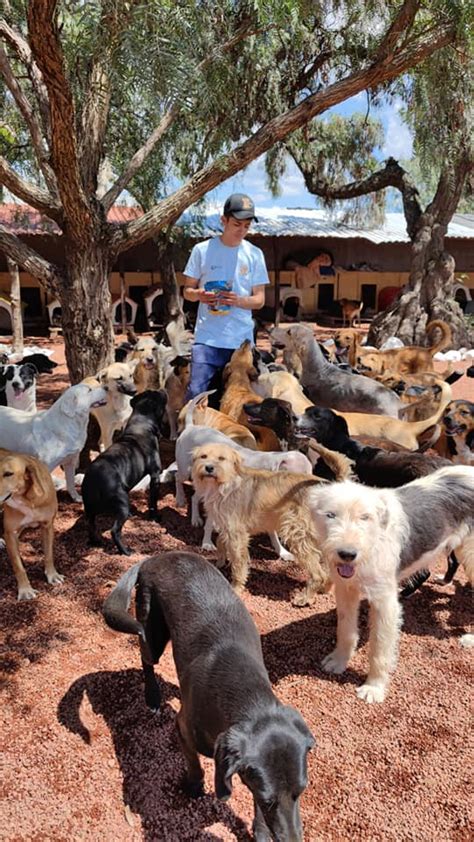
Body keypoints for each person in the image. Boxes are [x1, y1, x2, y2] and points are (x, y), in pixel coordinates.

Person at [183, 193, 269, 399]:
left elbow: (259, 300)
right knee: (197, 395)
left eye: (247, 226)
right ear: (224, 220)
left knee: (238, 399)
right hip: (207, 339)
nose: (242, 230)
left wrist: (237, 300)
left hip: (241, 343)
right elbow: (187, 292)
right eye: (237, 224)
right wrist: (200, 295)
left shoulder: (255, 254)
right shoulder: (202, 250)